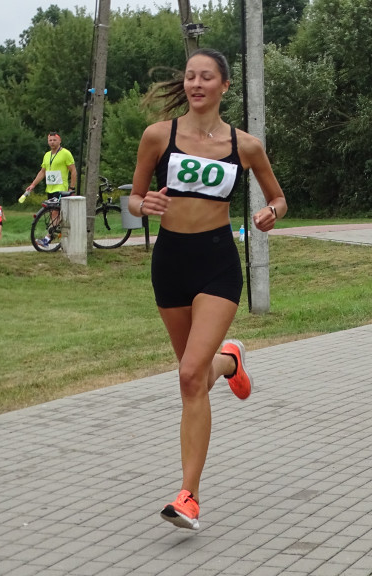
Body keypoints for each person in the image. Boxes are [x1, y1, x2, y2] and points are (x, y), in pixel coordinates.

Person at [128, 48, 286, 532]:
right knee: (194, 376)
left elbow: (279, 197)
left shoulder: (247, 146)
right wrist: (144, 204)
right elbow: (132, 199)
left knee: (188, 375)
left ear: (224, 86)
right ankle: (230, 360)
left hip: (218, 264)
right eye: (190, 76)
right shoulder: (159, 136)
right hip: (170, 262)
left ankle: (189, 496)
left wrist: (270, 214)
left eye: (206, 77)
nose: (196, 83)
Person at [24, 131, 78, 246]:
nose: (52, 142)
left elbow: (73, 171)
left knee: (55, 214)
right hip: (50, 188)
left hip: (61, 188)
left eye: (54, 140)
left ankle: (47, 239)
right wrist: (33, 185)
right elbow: (42, 172)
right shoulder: (47, 155)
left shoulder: (65, 153)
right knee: (56, 215)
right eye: (50, 140)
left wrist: (71, 188)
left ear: (60, 141)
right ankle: (62, 234)